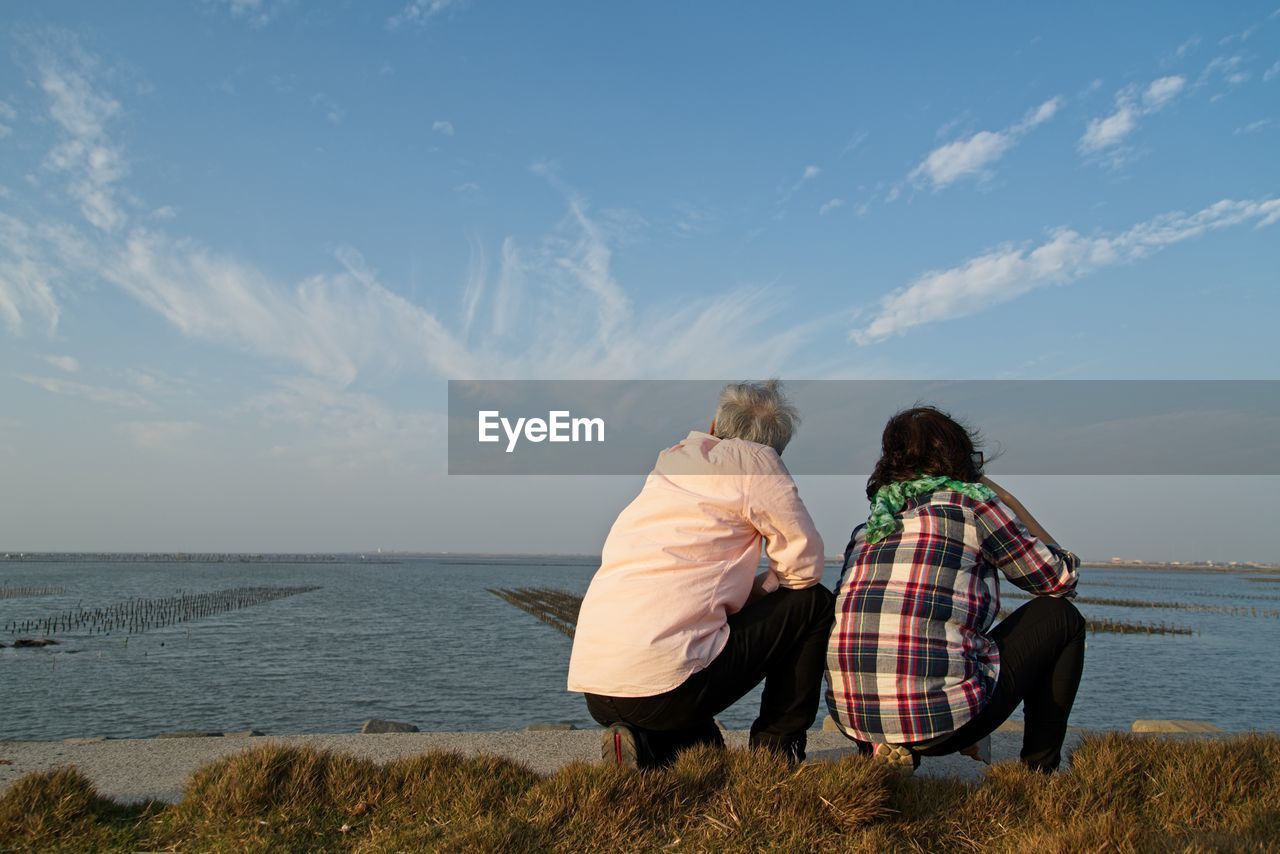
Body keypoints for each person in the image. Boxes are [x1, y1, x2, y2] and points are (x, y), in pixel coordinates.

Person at [568, 380, 833, 768]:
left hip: (599, 688)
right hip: (665, 687)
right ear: (774, 448)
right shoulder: (758, 466)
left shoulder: (672, 465)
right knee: (813, 602)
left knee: (708, 754)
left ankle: (640, 743)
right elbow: (804, 567)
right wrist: (761, 592)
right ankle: (777, 754)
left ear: (713, 427)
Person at [825, 406, 1084, 773]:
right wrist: (1006, 500)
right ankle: (1038, 771)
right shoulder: (973, 505)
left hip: (854, 717)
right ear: (960, 457)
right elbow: (1059, 579)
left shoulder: (872, 525)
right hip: (938, 722)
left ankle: (884, 745)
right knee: (1061, 617)